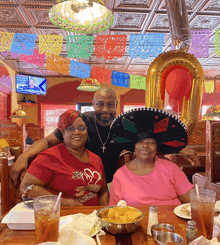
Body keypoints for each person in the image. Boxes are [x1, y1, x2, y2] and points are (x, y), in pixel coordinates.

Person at [11, 87, 200, 185]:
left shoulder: (124, 126)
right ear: (93, 103)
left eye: (110, 105)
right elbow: (48, 141)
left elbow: (148, 146)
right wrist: (24, 156)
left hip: (110, 182)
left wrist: (180, 149)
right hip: (79, 179)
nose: (105, 109)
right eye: (100, 104)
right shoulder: (80, 122)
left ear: (116, 105)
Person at [20, 109, 109, 206]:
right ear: (62, 132)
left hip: (93, 217)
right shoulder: (49, 157)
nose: (77, 132)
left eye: (81, 128)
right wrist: (67, 203)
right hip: (64, 217)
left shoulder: (96, 158)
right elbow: (27, 187)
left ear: (87, 131)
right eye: (70, 128)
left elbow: (103, 192)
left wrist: (103, 213)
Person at [109, 108, 194, 206]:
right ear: (134, 147)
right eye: (140, 141)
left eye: (150, 142)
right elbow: (114, 211)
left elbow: (191, 202)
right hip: (136, 220)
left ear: (157, 147)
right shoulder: (120, 175)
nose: (145, 146)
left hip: (172, 220)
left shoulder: (170, 168)